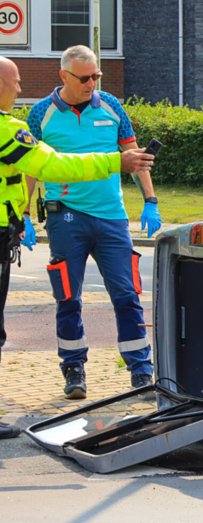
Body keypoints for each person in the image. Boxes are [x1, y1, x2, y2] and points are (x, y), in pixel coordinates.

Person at [0, 56, 153, 439]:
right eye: (85, 77)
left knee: (127, 294)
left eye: (96, 76)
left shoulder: (112, 106)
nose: (91, 82)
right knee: (68, 296)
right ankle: (74, 368)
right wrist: (27, 214)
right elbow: (44, 166)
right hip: (65, 216)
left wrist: (150, 200)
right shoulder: (29, 118)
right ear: (64, 76)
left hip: (112, 217)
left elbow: (134, 155)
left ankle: (141, 370)